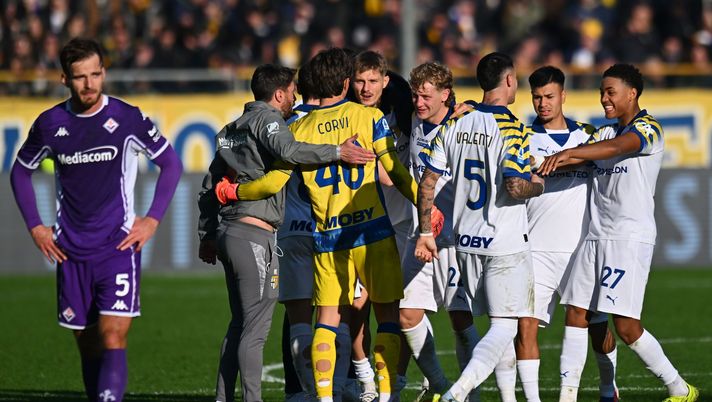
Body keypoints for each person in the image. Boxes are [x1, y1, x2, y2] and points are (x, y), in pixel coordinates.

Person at [217, 48, 420, 402]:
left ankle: (323, 397)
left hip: (329, 236)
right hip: (372, 232)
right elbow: (397, 173)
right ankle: (385, 396)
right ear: (346, 83)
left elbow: (270, 184)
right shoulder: (367, 115)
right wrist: (425, 203)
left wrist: (234, 191)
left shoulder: (297, 126)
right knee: (386, 318)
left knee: (325, 321)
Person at [9, 38, 183, 402]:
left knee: (113, 335)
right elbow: (20, 172)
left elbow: (171, 163)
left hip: (117, 247)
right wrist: (35, 226)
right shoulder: (50, 124)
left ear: (104, 73)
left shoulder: (126, 117)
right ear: (64, 79)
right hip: (70, 251)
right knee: (87, 345)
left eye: (95, 74)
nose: (89, 84)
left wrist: (151, 220)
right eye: (79, 77)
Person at [197, 63, 375, 402]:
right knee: (256, 329)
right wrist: (339, 152)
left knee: (239, 325)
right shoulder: (268, 120)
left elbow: (209, 186)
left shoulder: (229, 129)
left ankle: (223, 397)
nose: (295, 96)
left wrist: (206, 234)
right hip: (254, 233)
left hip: (228, 231)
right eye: (291, 91)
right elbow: (291, 152)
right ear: (279, 94)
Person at [539, 64, 700, 402]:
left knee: (625, 327)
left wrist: (569, 152)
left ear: (632, 93)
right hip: (596, 236)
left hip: (628, 238)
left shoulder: (649, 128)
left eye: (610, 92)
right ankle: (568, 396)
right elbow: (581, 161)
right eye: (601, 92)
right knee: (577, 312)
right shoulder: (603, 133)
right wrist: (533, 165)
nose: (604, 99)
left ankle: (679, 388)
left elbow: (616, 150)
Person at [414, 52, 545, 402]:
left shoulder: (455, 123)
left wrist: (426, 232)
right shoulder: (512, 127)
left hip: (466, 243)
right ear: (508, 80)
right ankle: (458, 392)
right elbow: (516, 186)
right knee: (504, 327)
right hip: (503, 243)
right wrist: (538, 184)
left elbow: (427, 182)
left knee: (487, 327)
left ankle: (503, 397)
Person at [520, 65, 618, 402]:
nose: (542, 104)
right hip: (536, 248)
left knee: (598, 325)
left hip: (582, 248)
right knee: (525, 324)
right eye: (536, 97)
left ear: (563, 95)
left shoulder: (587, 135)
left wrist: (560, 161)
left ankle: (609, 390)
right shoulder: (521, 137)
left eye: (549, 96)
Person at [397, 61, 482, 401]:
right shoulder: (415, 120)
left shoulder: (463, 123)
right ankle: (443, 386)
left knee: (460, 320)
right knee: (406, 314)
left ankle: (470, 392)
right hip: (421, 233)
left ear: (446, 94)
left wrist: (473, 107)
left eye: (426, 96)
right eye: (416, 95)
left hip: (454, 240)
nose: (419, 102)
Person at [347, 49, 415, 402]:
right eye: (360, 80)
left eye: (373, 80)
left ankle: (395, 382)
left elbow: (391, 177)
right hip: (361, 223)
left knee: (397, 310)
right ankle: (365, 380)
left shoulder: (403, 108)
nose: (366, 87)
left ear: (385, 81)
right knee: (356, 308)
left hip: (402, 224)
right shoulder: (345, 116)